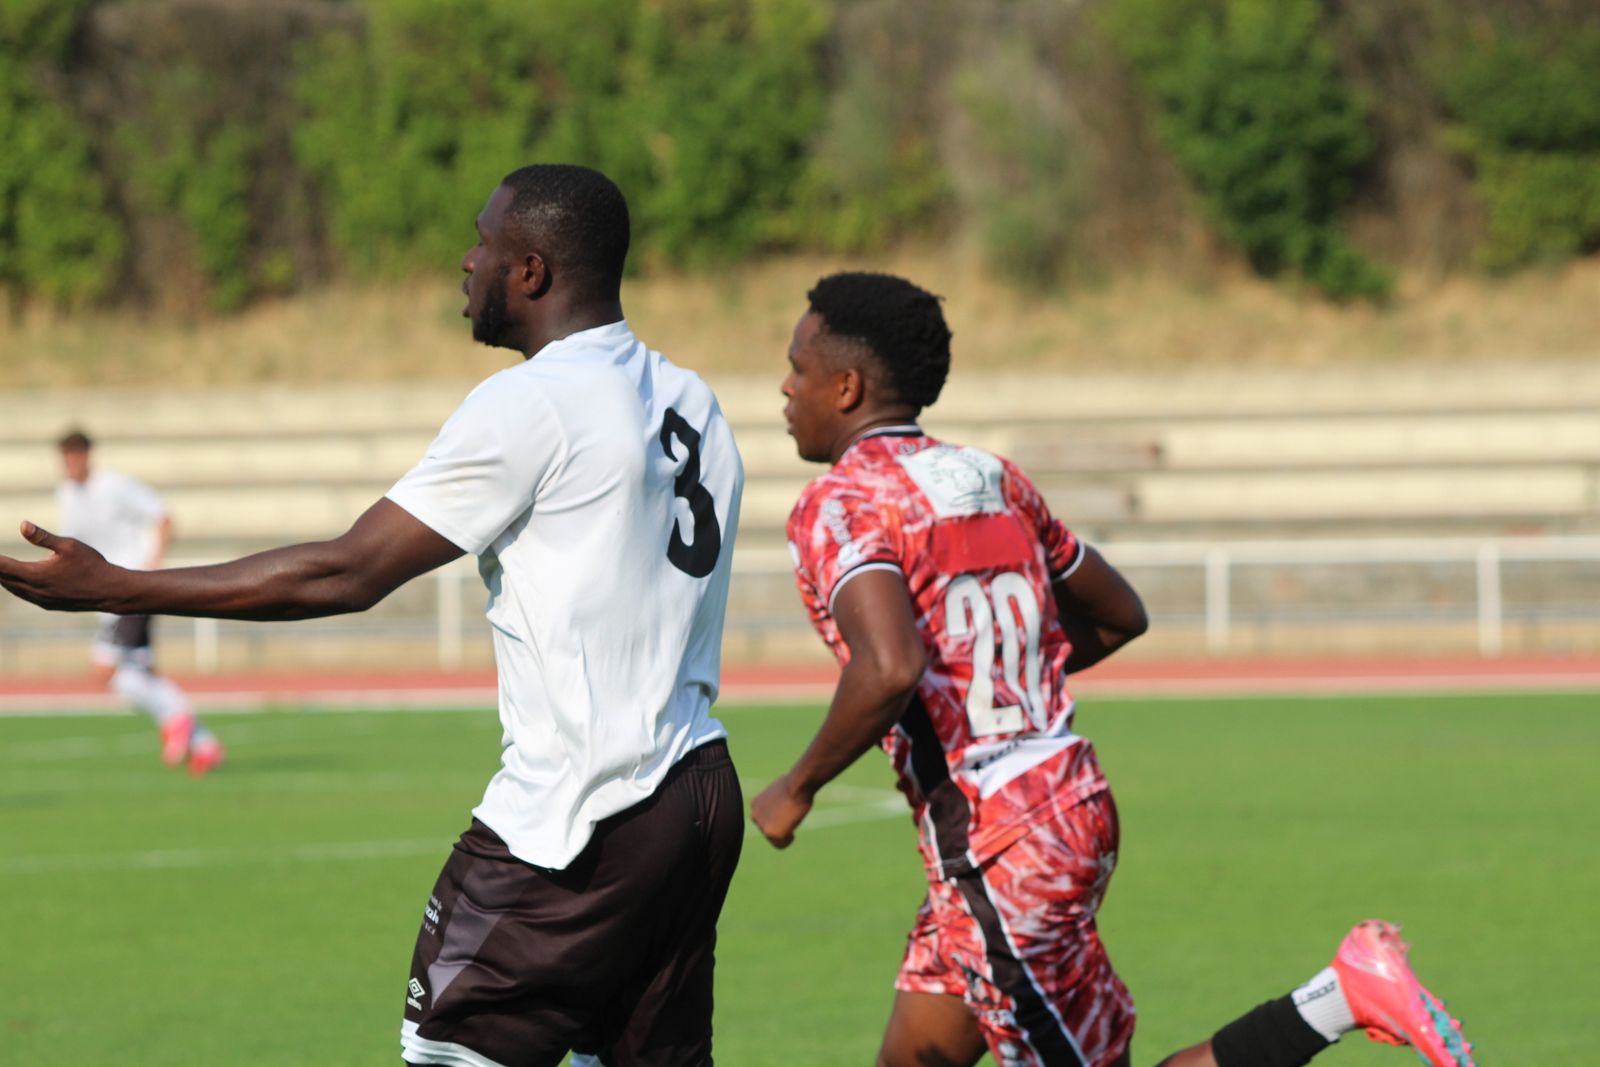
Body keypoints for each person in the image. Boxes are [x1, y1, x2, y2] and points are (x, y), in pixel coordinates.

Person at [2, 164, 746, 1067]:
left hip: (580, 814)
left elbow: (347, 573)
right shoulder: (692, 399)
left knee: (450, 1054)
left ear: (533, 271)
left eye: (484, 242)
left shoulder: (533, 402)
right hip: (697, 792)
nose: (465, 262)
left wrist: (118, 586)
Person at [750, 272, 1475, 1067]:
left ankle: (1341, 995)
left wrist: (797, 785)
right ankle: (1343, 993)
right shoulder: (994, 479)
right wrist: (1005, 679)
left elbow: (889, 667)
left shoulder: (842, 501)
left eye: (797, 366)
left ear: (846, 385)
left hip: (997, 842)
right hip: (1063, 799)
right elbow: (1117, 612)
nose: (786, 386)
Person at [54, 428, 225, 775]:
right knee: (138, 672)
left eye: (75, 456)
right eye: (65, 457)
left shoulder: (114, 486)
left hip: (132, 587)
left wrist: (151, 566)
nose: (70, 464)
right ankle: (204, 744)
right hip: (106, 594)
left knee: (105, 669)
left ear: (87, 455)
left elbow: (162, 515)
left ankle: (177, 719)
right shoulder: (67, 494)